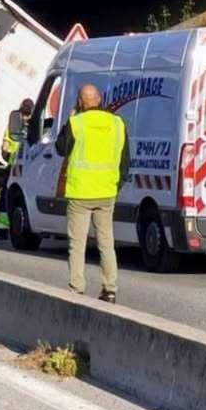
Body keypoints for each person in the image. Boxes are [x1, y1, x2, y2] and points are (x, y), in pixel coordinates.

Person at [55, 84, 129, 303]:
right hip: (106, 192)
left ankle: (77, 288)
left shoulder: (76, 123)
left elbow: (61, 148)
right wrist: (116, 185)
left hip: (80, 193)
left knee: (77, 244)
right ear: (99, 99)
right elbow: (126, 160)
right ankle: (110, 288)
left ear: (81, 101)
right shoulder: (117, 123)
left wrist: (68, 120)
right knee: (106, 242)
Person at [0, 98, 36, 240]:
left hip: (14, 166)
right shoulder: (37, 127)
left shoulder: (13, 126)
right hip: (32, 166)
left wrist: (8, 157)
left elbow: (5, 148)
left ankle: (2, 229)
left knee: (6, 198)